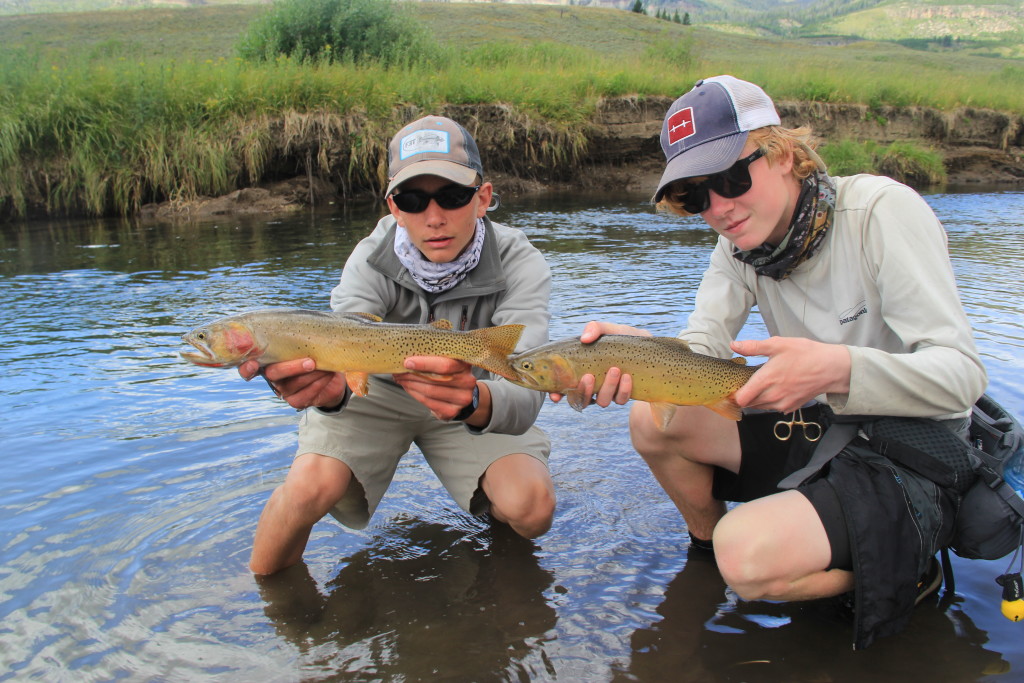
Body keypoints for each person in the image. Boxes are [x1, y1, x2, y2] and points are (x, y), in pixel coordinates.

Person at [569, 75, 987, 647]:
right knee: (651, 419)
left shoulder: (882, 212)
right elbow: (702, 353)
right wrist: (636, 353)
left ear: (786, 154)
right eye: (696, 196)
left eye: (730, 178)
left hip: (910, 447)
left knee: (747, 558)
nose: (718, 208)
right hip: (820, 424)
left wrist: (837, 368)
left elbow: (962, 379)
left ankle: (898, 566)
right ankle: (714, 551)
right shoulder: (737, 247)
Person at [239, 115, 555, 576]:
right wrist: (328, 393)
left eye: (452, 196)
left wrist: (473, 400)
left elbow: (529, 386)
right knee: (308, 488)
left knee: (531, 506)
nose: (434, 217)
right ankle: (264, 596)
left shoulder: (520, 261)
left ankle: (503, 570)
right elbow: (340, 350)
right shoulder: (370, 256)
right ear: (393, 206)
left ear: (482, 198)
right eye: (413, 199)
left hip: (474, 390)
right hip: (375, 392)